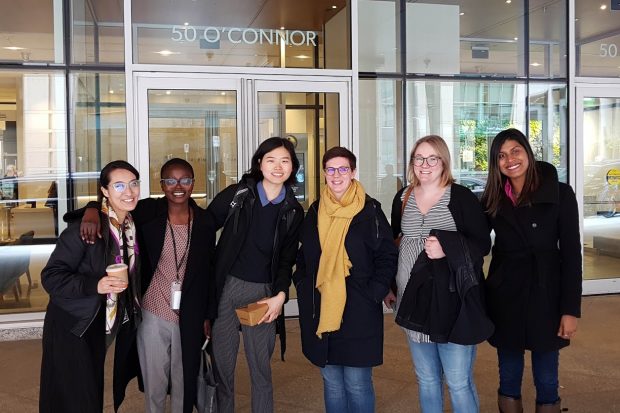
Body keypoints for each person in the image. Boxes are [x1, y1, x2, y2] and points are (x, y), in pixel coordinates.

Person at [75, 158, 216, 413]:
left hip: (190, 314)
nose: (178, 186)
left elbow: (210, 273)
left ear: (193, 182)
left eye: (185, 179)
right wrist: (92, 209)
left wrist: (208, 314)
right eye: (170, 180)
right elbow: (116, 205)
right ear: (162, 184)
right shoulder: (148, 212)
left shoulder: (205, 222)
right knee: (155, 381)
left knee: (185, 380)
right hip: (153, 311)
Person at [385, 135, 491, 413]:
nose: (425, 164)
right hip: (412, 302)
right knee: (427, 379)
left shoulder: (461, 197)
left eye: (433, 158)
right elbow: (396, 241)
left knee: (457, 381)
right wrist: (389, 284)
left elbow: (482, 244)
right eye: (419, 158)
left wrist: (448, 248)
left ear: (444, 162)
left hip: (451, 304)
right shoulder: (403, 197)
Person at [480, 128, 582, 413]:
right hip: (506, 294)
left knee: (547, 376)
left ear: (528, 152)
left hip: (547, 292)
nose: (509, 160)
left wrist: (570, 309)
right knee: (509, 373)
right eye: (501, 155)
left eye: (515, 151)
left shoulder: (560, 193)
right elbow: (474, 236)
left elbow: (572, 254)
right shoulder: (493, 197)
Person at [293, 146, 398, 413]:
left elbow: (387, 254)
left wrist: (374, 291)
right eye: (331, 169)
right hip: (323, 306)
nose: (337, 174)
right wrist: (304, 286)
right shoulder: (316, 210)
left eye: (343, 169)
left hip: (359, 308)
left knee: (357, 383)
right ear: (324, 173)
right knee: (332, 382)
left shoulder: (370, 210)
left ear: (353, 172)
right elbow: (305, 255)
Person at [206, 136, 304, 413]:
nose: (278, 166)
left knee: (260, 368)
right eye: (271, 159)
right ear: (259, 163)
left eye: (285, 161)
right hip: (227, 288)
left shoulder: (293, 211)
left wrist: (280, 296)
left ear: (292, 167)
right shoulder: (238, 195)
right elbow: (202, 227)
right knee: (222, 366)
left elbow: (287, 260)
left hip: (263, 294)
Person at [39, 160, 142, 412]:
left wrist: (92, 206)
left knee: (90, 389)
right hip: (72, 324)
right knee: (74, 395)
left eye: (133, 184)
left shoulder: (130, 224)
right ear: (105, 191)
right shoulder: (84, 230)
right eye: (119, 185)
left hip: (98, 322)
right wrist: (95, 285)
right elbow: (50, 276)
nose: (128, 192)